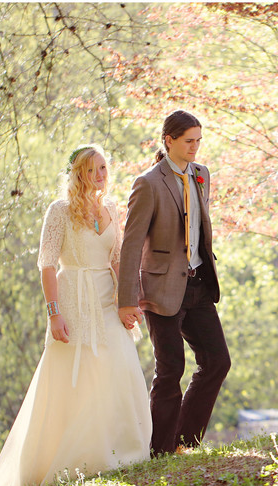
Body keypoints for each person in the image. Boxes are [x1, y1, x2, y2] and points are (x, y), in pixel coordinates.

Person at [0, 144, 152, 486]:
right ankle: (74, 459)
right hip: (73, 298)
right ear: (78, 173)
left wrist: (129, 302)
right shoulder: (59, 211)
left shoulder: (111, 208)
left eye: (104, 168)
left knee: (120, 363)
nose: (101, 175)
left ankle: (124, 449)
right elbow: (47, 264)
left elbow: (118, 258)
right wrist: (54, 313)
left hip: (106, 298)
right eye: (93, 169)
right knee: (75, 375)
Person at [118, 110, 230, 456]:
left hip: (198, 285)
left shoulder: (202, 175)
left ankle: (185, 443)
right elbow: (132, 243)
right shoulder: (148, 183)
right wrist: (127, 299)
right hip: (161, 291)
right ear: (169, 141)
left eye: (198, 140)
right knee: (171, 371)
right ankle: (161, 452)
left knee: (216, 362)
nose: (195, 147)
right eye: (188, 141)